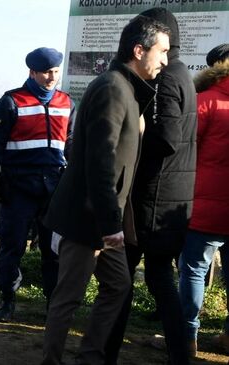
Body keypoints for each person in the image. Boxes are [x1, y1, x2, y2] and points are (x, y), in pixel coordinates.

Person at [41, 15, 170, 364]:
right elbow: (101, 163)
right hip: (88, 217)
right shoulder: (114, 88)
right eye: (162, 51)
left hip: (105, 217)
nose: (165, 61)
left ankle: (91, 357)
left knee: (118, 286)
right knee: (68, 295)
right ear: (138, 50)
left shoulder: (126, 89)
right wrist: (109, 224)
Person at [104, 8, 196, 364]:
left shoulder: (167, 78)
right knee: (159, 279)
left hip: (154, 199)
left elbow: (167, 138)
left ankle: (105, 350)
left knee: (121, 278)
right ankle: (180, 352)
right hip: (171, 193)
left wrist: (135, 141)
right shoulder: (182, 73)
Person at [0, 47, 74, 322]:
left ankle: (52, 304)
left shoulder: (67, 102)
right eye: (46, 72)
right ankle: (7, 299)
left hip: (53, 187)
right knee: (12, 245)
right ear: (32, 72)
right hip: (18, 186)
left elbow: (70, 143)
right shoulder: (11, 102)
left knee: (52, 249)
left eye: (56, 72)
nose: (51, 77)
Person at [178, 43, 229, 357]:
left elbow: (184, 152)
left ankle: (187, 337)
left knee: (194, 269)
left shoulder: (204, 102)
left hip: (204, 202)